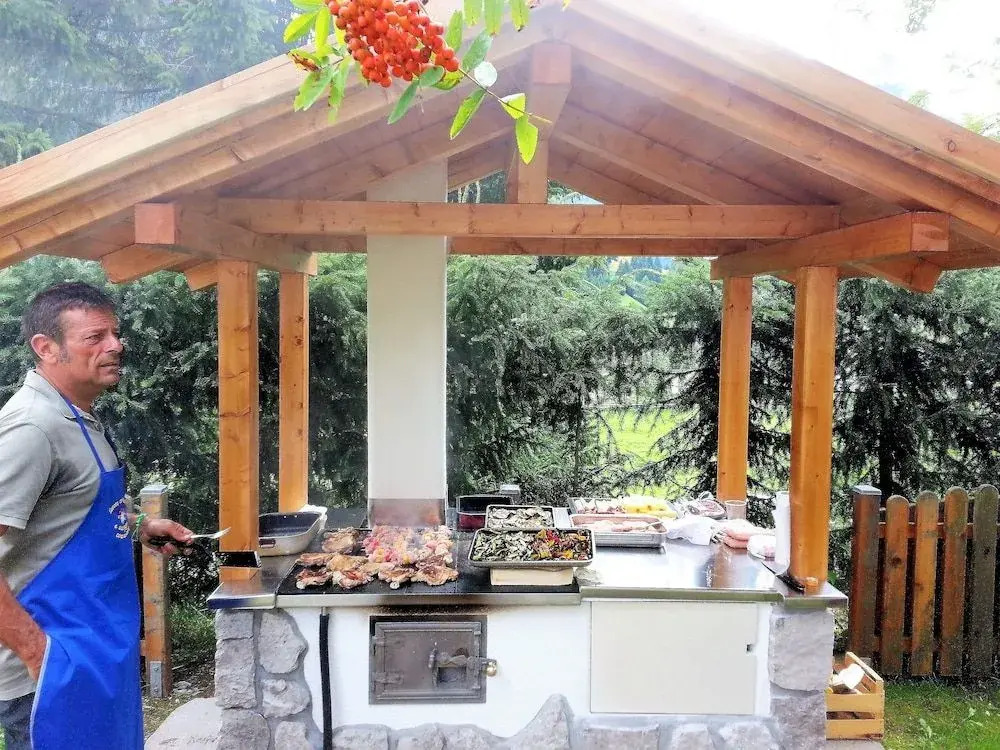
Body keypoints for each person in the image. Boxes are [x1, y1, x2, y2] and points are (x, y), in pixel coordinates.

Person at [0, 282, 194, 750]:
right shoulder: (32, 427)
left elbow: (75, 505)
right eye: (95, 337)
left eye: (115, 333)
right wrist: (38, 653)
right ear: (46, 347)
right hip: (50, 671)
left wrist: (140, 526)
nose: (116, 345)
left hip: (99, 649)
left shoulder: (77, 415)